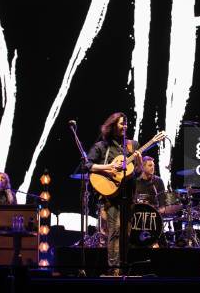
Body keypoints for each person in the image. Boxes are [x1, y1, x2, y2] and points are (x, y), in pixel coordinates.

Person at [87, 112, 142, 276]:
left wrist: (138, 163)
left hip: (128, 195)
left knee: (126, 232)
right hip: (111, 196)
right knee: (115, 230)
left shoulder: (132, 145)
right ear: (112, 126)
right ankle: (113, 268)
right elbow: (87, 165)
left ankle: (123, 266)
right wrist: (108, 167)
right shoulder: (102, 146)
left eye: (126, 124)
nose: (124, 126)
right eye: (121, 124)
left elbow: (137, 173)